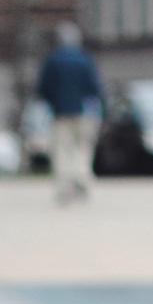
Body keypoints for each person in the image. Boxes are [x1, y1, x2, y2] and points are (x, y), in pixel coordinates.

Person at [35, 22, 106, 203]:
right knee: (82, 148)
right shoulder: (84, 59)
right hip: (83, 112)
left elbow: (43, 87)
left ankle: (64, 185)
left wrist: (53, 103)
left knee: (61, 149)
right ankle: (81, 179)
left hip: (60, 112)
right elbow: (94, 87)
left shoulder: (52, 59)